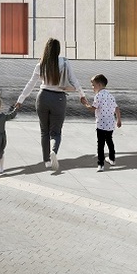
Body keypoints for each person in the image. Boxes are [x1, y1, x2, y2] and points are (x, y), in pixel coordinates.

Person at [16, 38, 87, 173]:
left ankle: (47, 162)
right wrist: (82, 95)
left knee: (44, 131)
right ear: (58, 49)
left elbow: (31, 84)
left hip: (42, 97)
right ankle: (53, 151)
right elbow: (74, 80)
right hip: (58, 99)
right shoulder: (64, 62)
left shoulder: (40, 65)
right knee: (56, 132)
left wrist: (20, 100)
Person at [85, 74, 121, 172]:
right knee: (109, 141)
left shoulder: (98, 96)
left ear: (99, 85)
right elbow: (116, 108)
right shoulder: (110, 95)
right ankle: (112, 159)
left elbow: (93, 109)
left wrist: (85, 104)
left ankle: (100, 164)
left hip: (101, 124)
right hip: (110, 124)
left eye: (93, 85)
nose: (92, 87)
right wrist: (118, 120)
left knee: (100, 144)